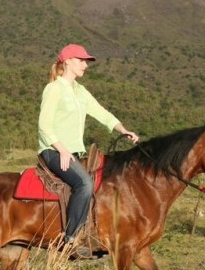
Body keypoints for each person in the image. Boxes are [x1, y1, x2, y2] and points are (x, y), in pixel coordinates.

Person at [38, 44, 139, 258]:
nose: (85, 65)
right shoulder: (54, 88)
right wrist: (63, 151)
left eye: (86, 61)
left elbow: (101, 113)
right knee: (84, 183)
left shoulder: (80, 91)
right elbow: (44, 126)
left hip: (73, 153)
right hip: (53, 151)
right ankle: (70, 241)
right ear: (67, 62)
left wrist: (123, 129)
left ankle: (93, 233)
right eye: (81, 60)